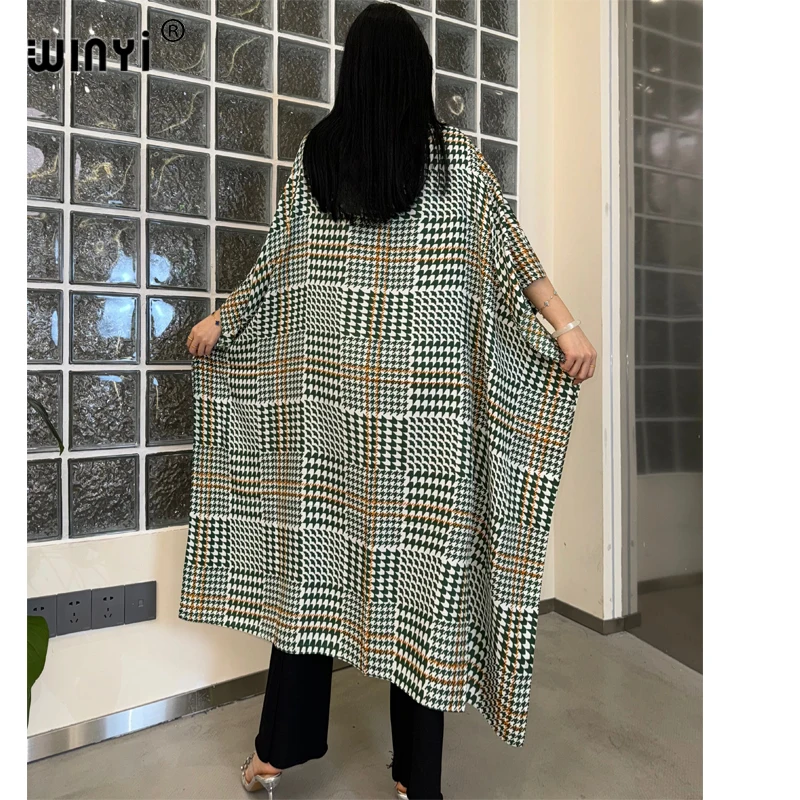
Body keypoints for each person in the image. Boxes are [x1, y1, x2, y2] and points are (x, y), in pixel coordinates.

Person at [181, 3, 595, 798]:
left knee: (312, 572)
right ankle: (417, 781)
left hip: (328, 416)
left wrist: (226, 318)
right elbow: (515, 259)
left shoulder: (318, 158)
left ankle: (275, 755)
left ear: (352, 72)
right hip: (429, 426)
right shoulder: (455, 161)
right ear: (418, 74)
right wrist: (565, 327)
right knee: (423, 595)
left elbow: (276, 266)